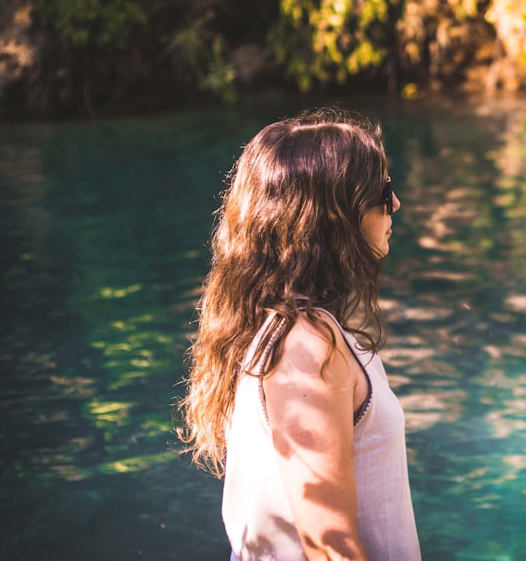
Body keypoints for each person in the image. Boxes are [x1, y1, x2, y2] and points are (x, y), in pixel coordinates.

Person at [178, 106, 421, 561]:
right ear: (333, 215)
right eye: (382, 191)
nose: (396, 204)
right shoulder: (305, 348)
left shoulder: (294, 331)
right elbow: (330, 548)